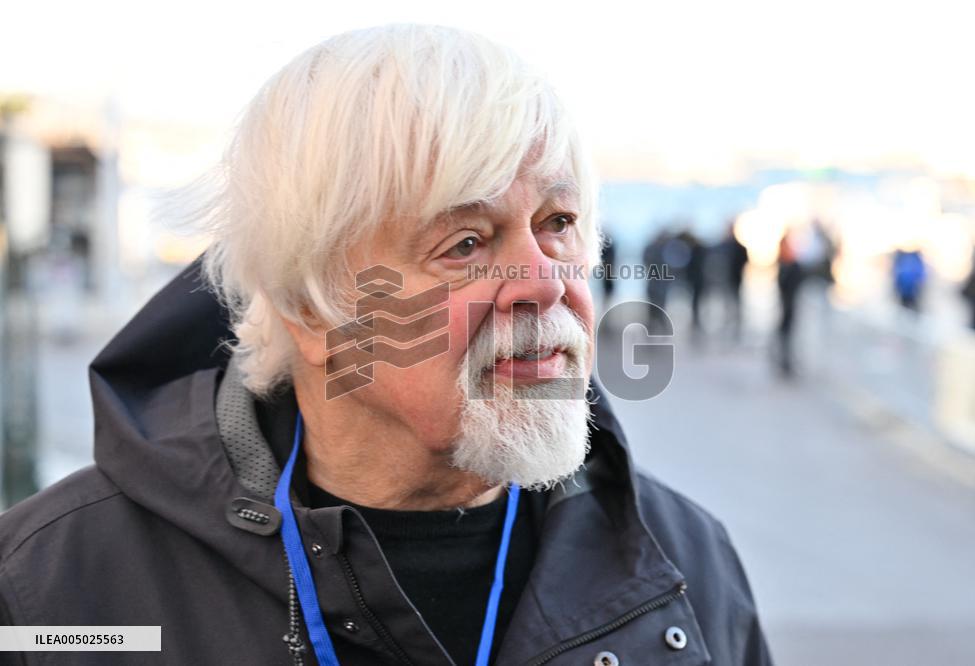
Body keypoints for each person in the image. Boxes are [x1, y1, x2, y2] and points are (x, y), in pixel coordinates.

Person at [0, 25, 772, 666]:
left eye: (559, 225)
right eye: (466, 242)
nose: (544, 283)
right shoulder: (58, 592)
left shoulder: (681, 563)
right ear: (309, 305)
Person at [776, 231, 804, 377]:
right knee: (784, 336)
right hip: (784, 308)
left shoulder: (793, 266)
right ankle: (784, 362)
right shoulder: (782, 264)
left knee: (790, 336)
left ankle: (789, 362)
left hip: (791, 307)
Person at [892, 247, 927, 312]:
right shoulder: (916, 260)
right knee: (907, 308)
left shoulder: (901, 261)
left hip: (910, 291)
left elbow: (896, 276)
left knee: (907, 309)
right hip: (910, 291)